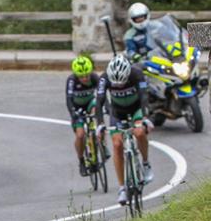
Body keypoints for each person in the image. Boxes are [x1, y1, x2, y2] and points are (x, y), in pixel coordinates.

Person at [95, 54, 154, 205]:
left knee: (139, 132)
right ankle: (122, 188)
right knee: (117, 144)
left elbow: (144, 97)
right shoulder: (104, 78)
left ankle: (146, 163)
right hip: (117, 112)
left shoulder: (136, 74)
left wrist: (145, 118)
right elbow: (99, 102)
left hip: (136, 110)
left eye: (122, 82)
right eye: (116, 84)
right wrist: (100, 124)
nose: (120, 86)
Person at [66, 55, 103, 176]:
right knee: (80, 135)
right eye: (81, 76)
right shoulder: (71, 80)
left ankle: (101, 144)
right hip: (77, 109)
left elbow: (101, 96)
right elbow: (69, 99)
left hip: (89, 104)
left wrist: (105, 108)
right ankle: (81, 160)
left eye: (87, 74)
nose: (85, 78)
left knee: (95, 108)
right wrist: (73, 114)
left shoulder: (94, 77)